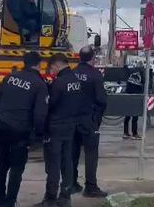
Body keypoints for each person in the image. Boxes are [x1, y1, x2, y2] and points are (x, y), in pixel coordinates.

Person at [0, 51, 48, 207]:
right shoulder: (39, 84)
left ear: (24, 62)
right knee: (16, 169)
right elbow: (39, 114)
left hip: (2, 126)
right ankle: (10, 202)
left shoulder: (10, 77)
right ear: (39, 64)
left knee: (1, 166)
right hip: (20, 131)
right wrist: (39, 134)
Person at [68, 46, 108, 198]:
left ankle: (71, 183)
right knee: (91, 153)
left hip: (72, 119)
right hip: (88, 119)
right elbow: (102, 100)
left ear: (79, 57)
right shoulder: (95, 75)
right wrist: (97, 120)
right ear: (93, 58)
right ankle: (90, 187)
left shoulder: (71, 73)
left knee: (72, 152)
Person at [39, 54, 78, 207]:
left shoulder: (59, 83)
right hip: (70, 126)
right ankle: (65, 196)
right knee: (66, 162)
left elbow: (50, 105)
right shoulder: (76, 81)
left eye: (52, 68)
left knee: (53, 164)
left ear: (56, 65)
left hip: (55, 127)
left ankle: (50, 199)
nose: (52, 71)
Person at [123, 65, 143, 139]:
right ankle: (134, 134)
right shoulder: (139, 78)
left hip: (128, 98)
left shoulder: (130, 77)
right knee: (135, 117)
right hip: (135, 99)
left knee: (127, 117)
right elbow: (140, 89)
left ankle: (125, 133)